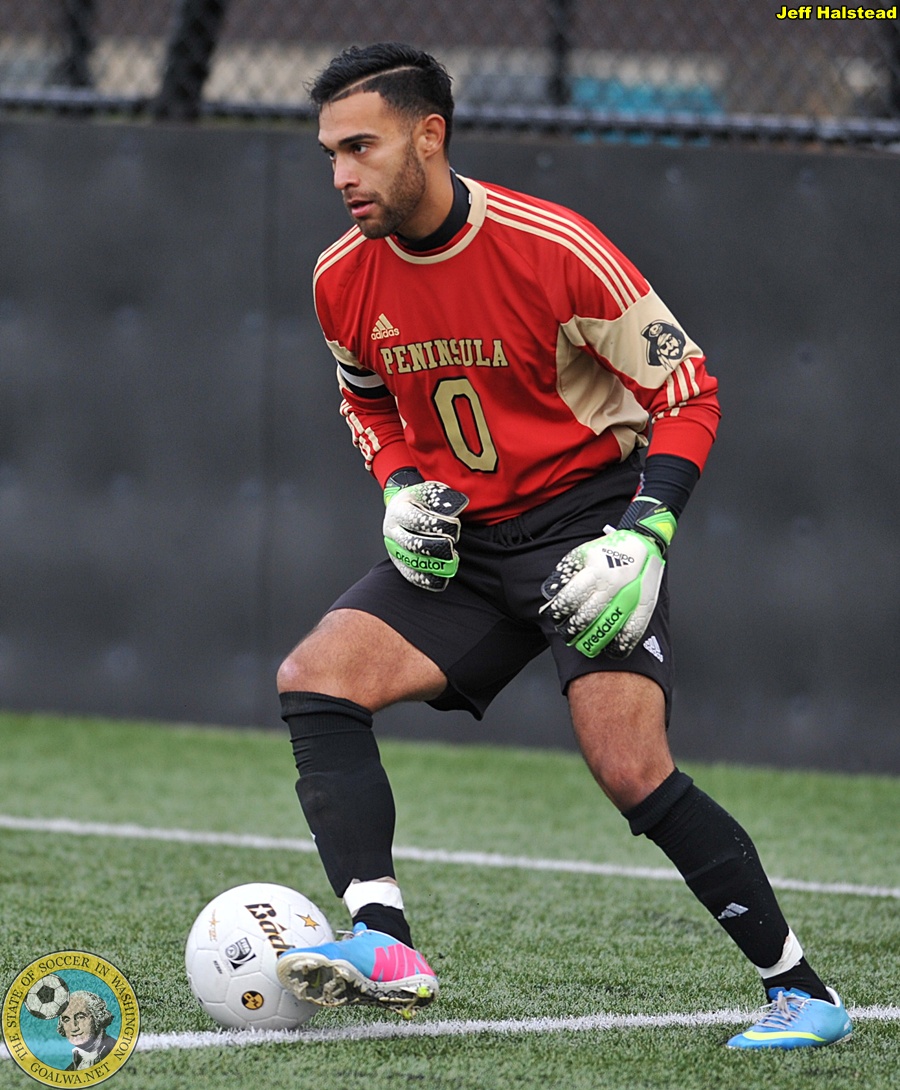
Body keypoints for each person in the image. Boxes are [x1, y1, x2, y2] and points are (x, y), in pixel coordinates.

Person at [274, 41, 852, 1050]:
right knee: (316, 677)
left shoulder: (555, 247)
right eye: (329, 153)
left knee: (630, 765)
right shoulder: (340, 278)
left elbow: (688, 392)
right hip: (463, 546)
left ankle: (802, 990)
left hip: (588, 527)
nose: (341, 175)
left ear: (429, 134)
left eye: (360, 147)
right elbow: (364, 399)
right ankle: (382, 935)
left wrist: (649, 532)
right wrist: (400, 487)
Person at [57, 991, 117, 1070]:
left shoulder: (118, 1054)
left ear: (97, 1017)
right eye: (66, 1020)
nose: (74, 1027)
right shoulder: (70, 1070)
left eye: (80, 1017)